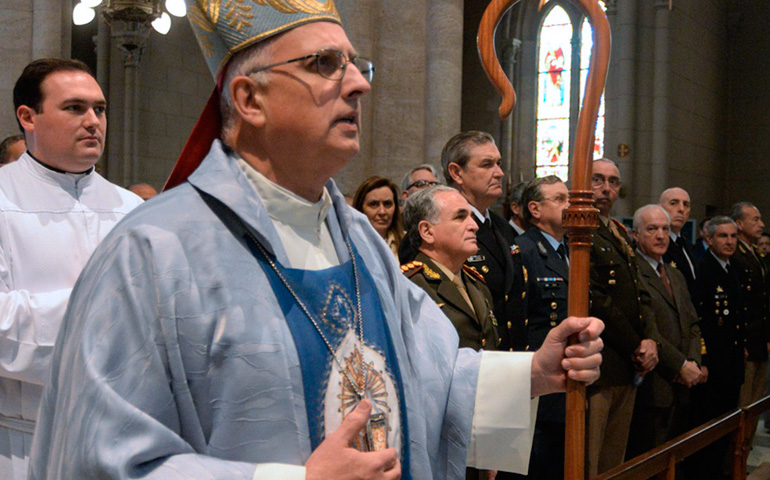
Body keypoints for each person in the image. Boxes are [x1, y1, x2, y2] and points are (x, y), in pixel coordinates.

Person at [29, 3, 604, 479]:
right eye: (326, 64)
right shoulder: (152, 252)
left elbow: (429, 373)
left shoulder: (362, 242)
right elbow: (97, 460)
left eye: (357, 65)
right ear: (250, 100)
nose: (357, 83)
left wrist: (531, 373)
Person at [0, 58, 143, 480]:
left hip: (118, 439)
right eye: (74, 108)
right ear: (28, 117)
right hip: (23, 442)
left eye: (99, 109)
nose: (92, 121)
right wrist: (107, 309)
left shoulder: (131, 209)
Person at [401, 185, 499, 480]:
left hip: (479, 427)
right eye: (460, 217)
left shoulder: (476, 283)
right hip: (437, 435)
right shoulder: (411, 286)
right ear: (427, 231)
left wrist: (492, 441)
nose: (474, 224)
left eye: (471, 215)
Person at [587, 158, 658, 476]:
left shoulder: (615, 231)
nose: (606, 189)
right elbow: (598, 300)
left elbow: (641, 294)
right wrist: (635, 343)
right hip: (602, 363)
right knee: (591, 458)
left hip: (628, 364)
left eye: (613, 182)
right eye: (597, 180)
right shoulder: (581, 230)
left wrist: (650, 340)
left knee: (614, 460)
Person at [626, 205, 702, 459]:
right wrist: (679, 364)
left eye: (665, 229)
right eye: (652, 229)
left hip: (682, 384)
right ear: (636, 235)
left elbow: (692, 322)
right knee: (649, 459)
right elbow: (647, 329)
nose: (661, 235)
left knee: (674, 460)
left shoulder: (674, 273)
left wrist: (693, 361)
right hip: (653, 384)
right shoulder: (632, 271)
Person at [442, 131, 528, 352]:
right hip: (469, 358)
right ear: (456, 173)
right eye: (487, 165)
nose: (499, 173)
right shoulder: (441, 228)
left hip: (509, 358)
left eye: (498, 163)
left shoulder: (502, 227)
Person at [508, 176, 570, 480]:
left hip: (568, 381)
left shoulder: (571, 251)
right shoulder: (523, 251)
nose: (569, 206)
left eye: (568, 198)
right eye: (559, 199)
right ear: (534, 208)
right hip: (541, 386)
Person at [685, 216, 745, 480]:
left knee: (726, 424)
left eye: (733, 236)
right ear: (709, 239)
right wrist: (703, 359)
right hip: (713, 364)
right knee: (707, 425)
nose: (730, 241)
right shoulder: (704, 269)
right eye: (723, 236)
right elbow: (698, 318)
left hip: (731, 361)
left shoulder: (735, 268)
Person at [729, 202, 769, 444]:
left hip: (759, 342)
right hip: (745, 342)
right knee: (742, 406)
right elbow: (740, 305)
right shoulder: (737, 257)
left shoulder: (756, 254)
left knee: (754, 404)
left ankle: (743, 456)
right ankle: (732, 465)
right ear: (740, 224)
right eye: (755, 219)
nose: (762, 224)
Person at [659, 187, 697, 297]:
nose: (681, 209)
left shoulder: (688, 245)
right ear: (660, 208)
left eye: (686, 205)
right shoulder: (656, 245)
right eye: (673, 203)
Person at [353, 176, 403, 257]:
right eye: (374, 204)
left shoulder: (408, 243)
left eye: (387, 204)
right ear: (360, 208)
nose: (382, 212)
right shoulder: (348, 244)